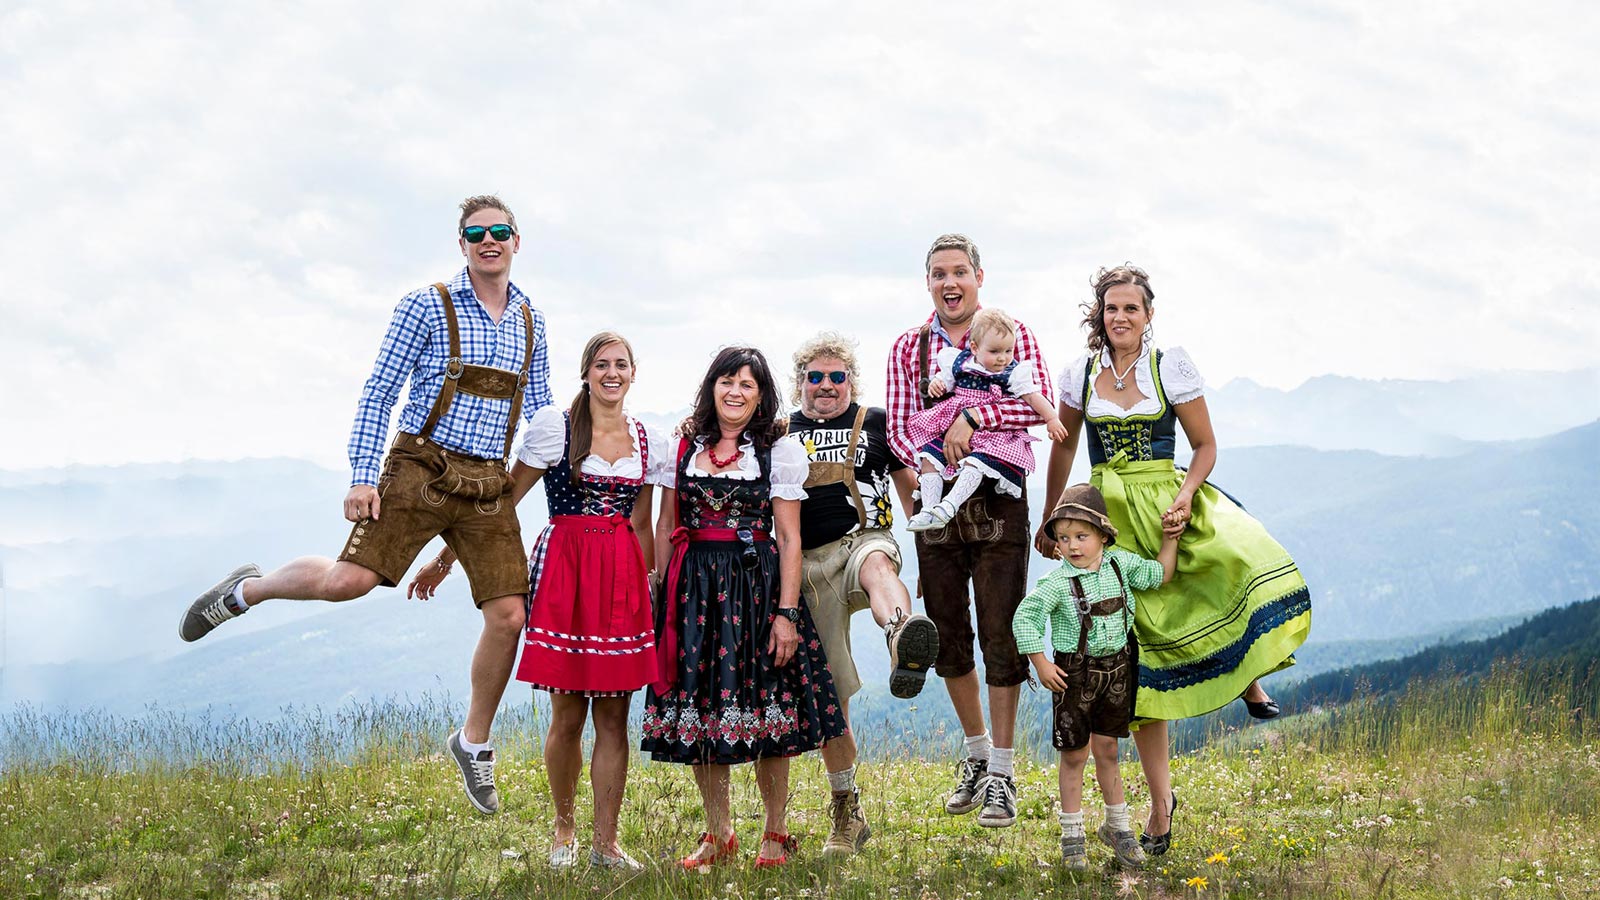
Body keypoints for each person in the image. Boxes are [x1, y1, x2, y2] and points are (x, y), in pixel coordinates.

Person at [178, 195, 551, 816]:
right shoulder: (426, 305)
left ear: (519, 241)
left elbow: (539, 414)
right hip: (420, 466)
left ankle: (473, 742)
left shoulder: (532, 321)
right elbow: (379, 391)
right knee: (350, 581)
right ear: (462, 244)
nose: (489, 241)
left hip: (487, 480)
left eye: (500, 232)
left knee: (510, 613)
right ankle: (247, 590)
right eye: (476, 233)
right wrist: (362, 477)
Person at [1039, 264, 1312, 855]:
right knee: (1138, 668)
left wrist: (1186, 497)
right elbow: (1062, 452)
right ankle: (1162, 804)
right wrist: (1052, 518)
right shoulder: (1080, 373)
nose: (1120, 318)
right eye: (1111, 308)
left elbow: (1205, 445)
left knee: (1219, 574)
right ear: (1099, 314)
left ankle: (1249, 680)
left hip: (1164, 500)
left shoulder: (1170, 367)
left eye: (1131, 309)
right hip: (1106, 517)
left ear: (1148, 314)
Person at [407, 331, 663, 870]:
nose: (611, 373)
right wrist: (446, 558)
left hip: (620, 575)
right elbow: (499, 504)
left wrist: (650, 587)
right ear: (586, 372)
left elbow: (642, 524)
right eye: (601, 364)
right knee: (567, 716)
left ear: (634, 373)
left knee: (615, 718)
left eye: (620, 364)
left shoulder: (648, 439)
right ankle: (564, 833)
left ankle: (606, 843)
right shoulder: (558, 429)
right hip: (565, 571)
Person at [640, 346, 847, 869]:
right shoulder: (683, 444)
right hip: (693, 593)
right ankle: (719, 834)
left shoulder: (778, 451)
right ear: (712, 387)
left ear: (762, 396)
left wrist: (787, 613)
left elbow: (790, 538)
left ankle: (775, 833)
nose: (735, 391)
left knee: (770, 711)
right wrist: (660, 592)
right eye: (727, 381)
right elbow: (666, 526)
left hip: (756, 591)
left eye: (748, 385)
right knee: (704, 709)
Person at [885, 233, 1054, 828]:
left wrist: (968, 417)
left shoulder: (1011, 329)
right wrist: (932, 473)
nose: (949, 282)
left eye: (959, 271)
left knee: (1003, 630)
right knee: (950, 635)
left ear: (979, 276)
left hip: (1000, 498)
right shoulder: (909, 347)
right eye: (938, 273)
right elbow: (901, 430)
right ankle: (978, 754)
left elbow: (1039, 406)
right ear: (927, 281)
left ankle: (1005, 773)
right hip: (935, 503)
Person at [786, 331, 940, 858]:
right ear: (799, 384)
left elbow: (909, 486)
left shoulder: (874, 422)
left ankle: (902, 632)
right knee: (832, 697)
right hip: (805, 566)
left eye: (837, 376)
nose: (826, 386)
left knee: (877, 566)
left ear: (853, 381)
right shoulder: (780, 433)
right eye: (815, 377)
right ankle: (847, 813)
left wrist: (926, 553)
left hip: (863, 540)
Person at [1013, 484, 1182, 874]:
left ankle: (1118, 827)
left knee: (1108, 750)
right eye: (1064, 537)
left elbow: (1160, 575)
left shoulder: (1121, 565)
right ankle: (1072, 836)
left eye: (1082, 536)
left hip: (1117, 673)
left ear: (1103, 536)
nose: (1072, 546)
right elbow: (1026, 618)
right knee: (1075, 755)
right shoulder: (1056, 583)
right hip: (1074, 677)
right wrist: (1039, 662)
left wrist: (1170, 540)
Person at [905, 307, 1068, 532]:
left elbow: (1032, 396)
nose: (1003, 358)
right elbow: (945, 381)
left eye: (1008, 351)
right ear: (975, 348)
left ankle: (949, 506)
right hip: (953, 423)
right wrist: (937, 384)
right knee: (928, 459)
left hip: (990, 434)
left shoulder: (1011, 372)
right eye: (995, 351)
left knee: (976, 463)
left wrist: (1052, 418)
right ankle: (929, 508)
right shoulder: (959, 362)